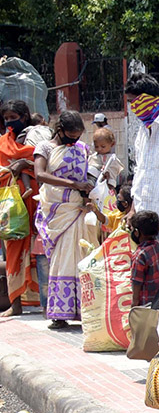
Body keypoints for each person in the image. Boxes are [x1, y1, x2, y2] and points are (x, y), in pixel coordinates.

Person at [33, 110, 92, 328]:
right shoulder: (45, 148)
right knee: (62, 258)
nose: (75, 139)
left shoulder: (82, 149)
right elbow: (40, 175)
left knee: (82, 255)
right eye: (71, 134)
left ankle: (85, 310)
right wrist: (73, 185)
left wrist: (88, 191)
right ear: (60, 130)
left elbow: (87, 174)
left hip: (77, 209)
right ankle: (59, 313)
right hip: (57, 210)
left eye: (78, 135)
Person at [0, 100, 40, 317]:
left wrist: (25, 164)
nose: (9, 122)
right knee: (13, 251)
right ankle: (15, 304)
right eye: (5, 118)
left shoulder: (34, 138)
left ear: (24, 117)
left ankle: (38, 300)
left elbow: (45, 165)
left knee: (37, 251)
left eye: (12, 117)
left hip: (32, 202)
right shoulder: (3, 143)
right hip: (11, 206)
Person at [124, 72, 159, 216]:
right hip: (142, 214)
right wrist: (133, 209)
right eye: (130, 102)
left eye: (135, 101)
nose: (133, 107)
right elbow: (140, 171)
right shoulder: (142, 131)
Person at [127, 210, 159, 307]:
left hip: (146, 304)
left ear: (137, 232)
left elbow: (136, 281)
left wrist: (135, 302)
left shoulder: (140, 255)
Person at [87, 126, 122, 210]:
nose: (99, 149)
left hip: (107, 187)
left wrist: (106, 176)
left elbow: (113, 173)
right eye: (96, 147)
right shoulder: (93, 157)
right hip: (94, 188)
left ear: (112, 144)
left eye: (103, 147)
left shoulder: (113, 159)